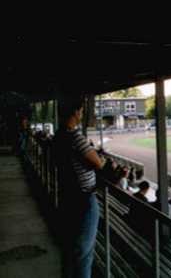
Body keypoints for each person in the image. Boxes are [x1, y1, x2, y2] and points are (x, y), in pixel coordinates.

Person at [53, 96, 104, 278]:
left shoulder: (59, 136)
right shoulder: (75, 136)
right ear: (75, 112)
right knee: (83, 254)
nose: (82, 113)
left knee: (69, 249)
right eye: (81, 110)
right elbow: (98, 163)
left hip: (68, 197)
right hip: (83, 200)